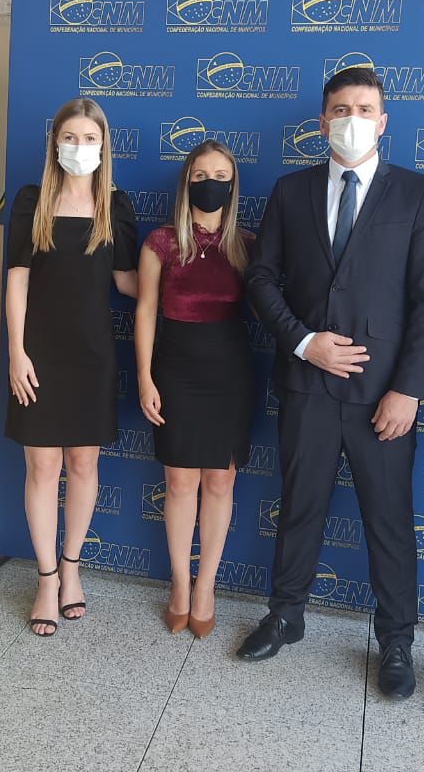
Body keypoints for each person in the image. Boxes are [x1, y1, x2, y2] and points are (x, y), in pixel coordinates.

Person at [238, 66, 424, 699]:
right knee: (299, 506)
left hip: (384, 397)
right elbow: (261, 279)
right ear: (322, 121)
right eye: (339, 109)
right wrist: (305, 342)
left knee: (389, 520)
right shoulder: (290, 190)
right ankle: (286, 615)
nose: (350, 119)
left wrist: (408, 390)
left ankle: (397, 639)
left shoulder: (419, 194)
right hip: (306, 385)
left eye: (363, 109)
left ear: (382, 123)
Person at [5, 98, 139, 637]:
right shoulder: (32, 201)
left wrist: (188, 267)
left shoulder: (116, 206)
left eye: (89, 139)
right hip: (38, 353)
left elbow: (128, 281)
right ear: (54, 143)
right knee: (42, 467)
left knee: (83, 465)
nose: (79, 148)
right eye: (70, 137)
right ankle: (45, 578)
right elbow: (18, 279)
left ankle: (72, 569)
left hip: (92, 356)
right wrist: (16, 352)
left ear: (103, 145)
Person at [134, 140, 255, 639]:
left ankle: (207, 588)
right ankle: (180, 586)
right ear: (187, 181)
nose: (211, 183)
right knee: (180, 483)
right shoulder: (160, 243)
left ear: (233, 183)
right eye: (201, 174)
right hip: (175, 371)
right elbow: (145, 310)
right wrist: (144, 376)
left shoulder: (247, 245)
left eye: (221, 175)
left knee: (221, 482)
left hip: (230, 374)